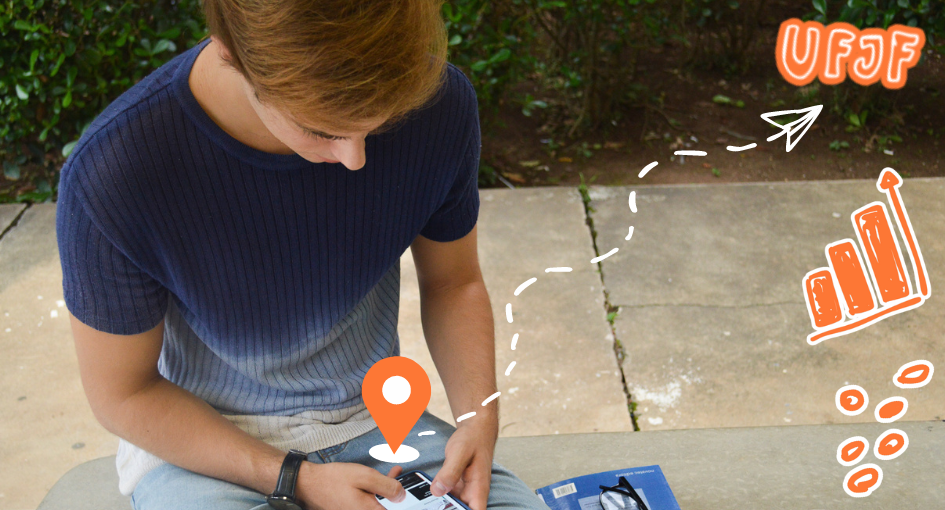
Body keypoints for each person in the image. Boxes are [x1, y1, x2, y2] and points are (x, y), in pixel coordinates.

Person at [55, 1, 548, 509]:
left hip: (379, 419)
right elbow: (124, 393)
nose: (354, 159)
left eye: (380, 125)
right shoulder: (114, 174)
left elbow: (454, 283)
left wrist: (478, 418)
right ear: (230, 53)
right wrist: (296, 478)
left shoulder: (438, 104)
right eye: (323, 130)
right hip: (206, 447)